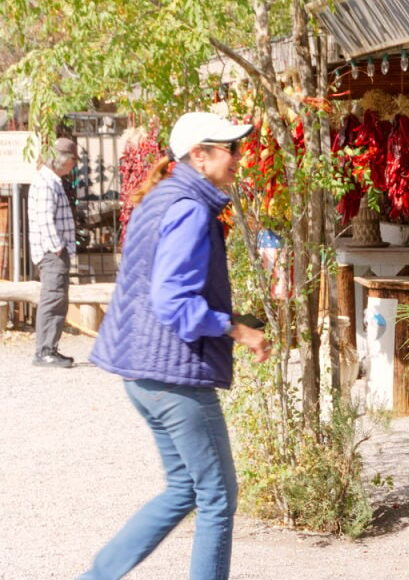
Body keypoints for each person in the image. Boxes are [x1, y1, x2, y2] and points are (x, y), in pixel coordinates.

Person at [83, 112, 270, 580]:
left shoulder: (165, 196)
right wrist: (236, 330)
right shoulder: (189, 206)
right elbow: (172, 299)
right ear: (199, 155)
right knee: (218, 496)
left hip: (144, 373)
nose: (240, 158)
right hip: (175, 377)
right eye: (232, 149)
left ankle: (96, 576)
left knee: (185, 488)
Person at [29, 137, 79, 368]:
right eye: (71, 160)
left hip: (53, 251)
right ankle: (45, 351)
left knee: (57, 298)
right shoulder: (46, 182)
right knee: (53, 298)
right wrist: (56, 247)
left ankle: (50, 348)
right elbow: (44, 218)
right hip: (52, 253)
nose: (73, 165)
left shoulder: (51, 181)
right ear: (60, 160)